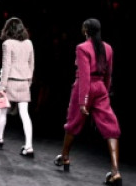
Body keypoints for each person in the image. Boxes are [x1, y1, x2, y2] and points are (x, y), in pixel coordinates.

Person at [53, 18, 122, 186]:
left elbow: (84, 76)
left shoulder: (82, 47)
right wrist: (104, 91)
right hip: (100, 88)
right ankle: (115, 172)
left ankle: (65, 156)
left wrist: (83, 101)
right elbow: (108, 74)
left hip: (85, 88)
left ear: (85, 30)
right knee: (111, 127)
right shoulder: (108, 48)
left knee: (73, 122)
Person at [0, 17, 35, 157]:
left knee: (2, 111)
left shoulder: (7, 43)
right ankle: (28, 146)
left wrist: (1, 87)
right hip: (23, 81)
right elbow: (31, 64)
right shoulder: (29, 43)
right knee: (25, 114)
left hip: (10, 81)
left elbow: (6, 66)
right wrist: (29, 82)